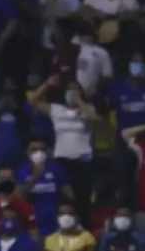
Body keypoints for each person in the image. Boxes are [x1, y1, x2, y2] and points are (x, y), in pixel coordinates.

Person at [28, 76, 97, 224]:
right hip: (62, 162)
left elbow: (93, 117)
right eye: (69, 90)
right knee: (64, 200)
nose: (71, 92)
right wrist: (47, 84)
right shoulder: (57, 110)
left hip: (82, 163)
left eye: (75, 89)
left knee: (82, 201)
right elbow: (33, 100)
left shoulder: (87, 109)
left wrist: (78, 101)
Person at [15, 139, 74, 236]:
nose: (39, 152)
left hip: (54, 222)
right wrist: (35, 176)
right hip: (31, 223)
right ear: (27, 152)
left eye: (42, 149)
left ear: (48, 151)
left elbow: (70, 195)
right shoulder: (22, 170)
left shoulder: (57, 168)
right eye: (34, 149)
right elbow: (18, 197)